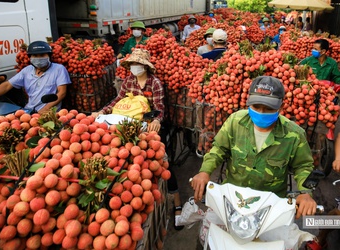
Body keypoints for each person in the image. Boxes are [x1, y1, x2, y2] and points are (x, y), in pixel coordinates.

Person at [191, 76, 317, 219]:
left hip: (271, 206)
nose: (261, 113)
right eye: (256, 107)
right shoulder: (235, 122)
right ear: (248, 103)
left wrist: (305, 192)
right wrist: (204, 171)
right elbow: (219, 149)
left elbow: (303, 166)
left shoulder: (294, 135)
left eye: (268, 108)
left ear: (281, 107)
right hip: (233, 198)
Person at [91, 49, 184, 229]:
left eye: (138, 65)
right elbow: (117, 101)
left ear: (145, 67)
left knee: (163, 160)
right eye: (133, 64)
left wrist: (156, 120)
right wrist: (103, 111)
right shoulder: (128, 81)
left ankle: (177, 202)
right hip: (127, 123)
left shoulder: (154, 83)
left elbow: (159, 107)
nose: (135, 67)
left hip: (149, 124)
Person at [0, 41, 70, 114]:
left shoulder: (58, 69)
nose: (38, 58)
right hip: (28, 111)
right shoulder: (27, 71)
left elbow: (61, 93)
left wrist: (44, 110)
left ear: (49, 56)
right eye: (35, 56)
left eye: (42, 55)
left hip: (50, 113)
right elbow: (6, 85)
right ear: (30, 58)